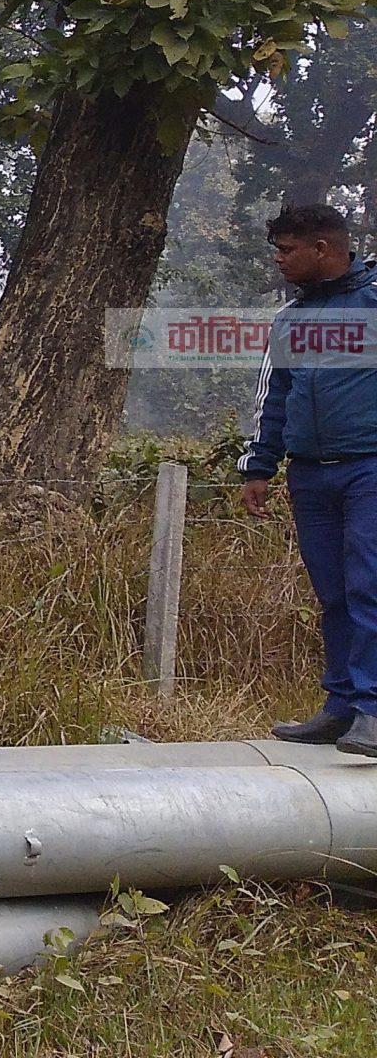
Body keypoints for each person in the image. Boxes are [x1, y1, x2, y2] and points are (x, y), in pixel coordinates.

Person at [242, 203, 377, 756]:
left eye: (286, 250)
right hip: (309, 475)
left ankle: (373, 711)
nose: (278, 260)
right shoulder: (291, 319)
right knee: (334, 593)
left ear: (321, 249)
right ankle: (340, 708)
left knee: (370, 586)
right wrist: (259, 465)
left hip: (370, 466)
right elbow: (274, 395)